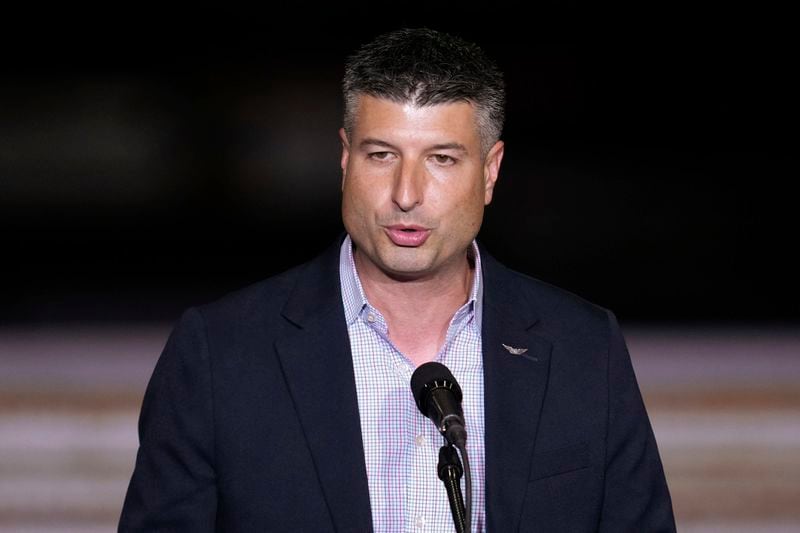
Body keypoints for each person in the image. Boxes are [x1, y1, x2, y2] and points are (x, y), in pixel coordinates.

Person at [119, 28, 676, 532]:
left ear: (490, 171)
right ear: (344, 160)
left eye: (441, 159)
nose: (406, 193)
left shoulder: (581, 346)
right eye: (381, 155)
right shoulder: (219, 353)